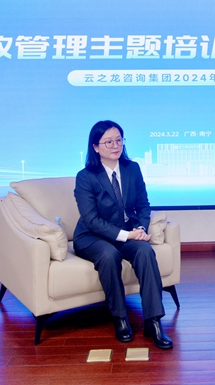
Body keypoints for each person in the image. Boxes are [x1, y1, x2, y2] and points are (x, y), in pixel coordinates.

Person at [73, 120, 173, 349]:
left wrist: (141, 229)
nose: (115, 146)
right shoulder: (85, 176)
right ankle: (120, 318)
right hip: (92, 236)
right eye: (108, 142)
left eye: (119, 140)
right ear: (95, 147)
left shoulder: (132, 169)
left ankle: (153, 321)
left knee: (145, 252)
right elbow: (91, 220)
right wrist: (127, 236)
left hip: (127, 232)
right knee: (109, 256)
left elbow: (143, 205)